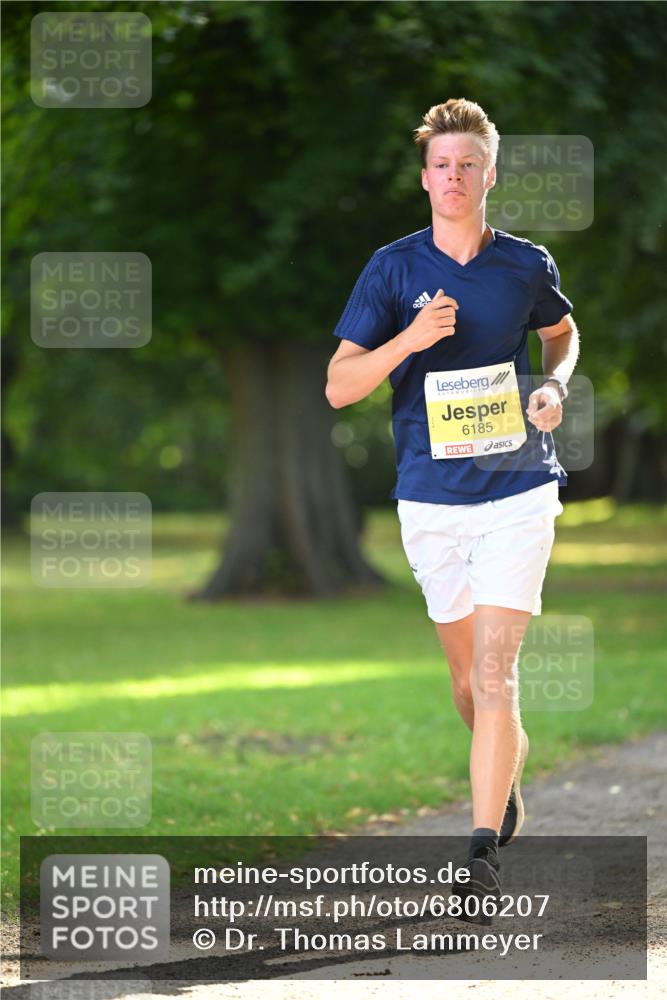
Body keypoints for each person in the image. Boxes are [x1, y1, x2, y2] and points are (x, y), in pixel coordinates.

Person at [325, 98, 580, 913]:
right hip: (430, 498)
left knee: (496, 675)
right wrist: (408, 340)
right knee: (468, 688)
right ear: (425, 176)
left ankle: (477, 858)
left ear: (488, 174)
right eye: (441, 165)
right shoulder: (392, 269)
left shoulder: (523, 264)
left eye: (468, 164)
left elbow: (560, 334)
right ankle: (500, 771)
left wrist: (552, 387)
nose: (453, 176)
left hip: (517, 490)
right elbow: (337, 387)